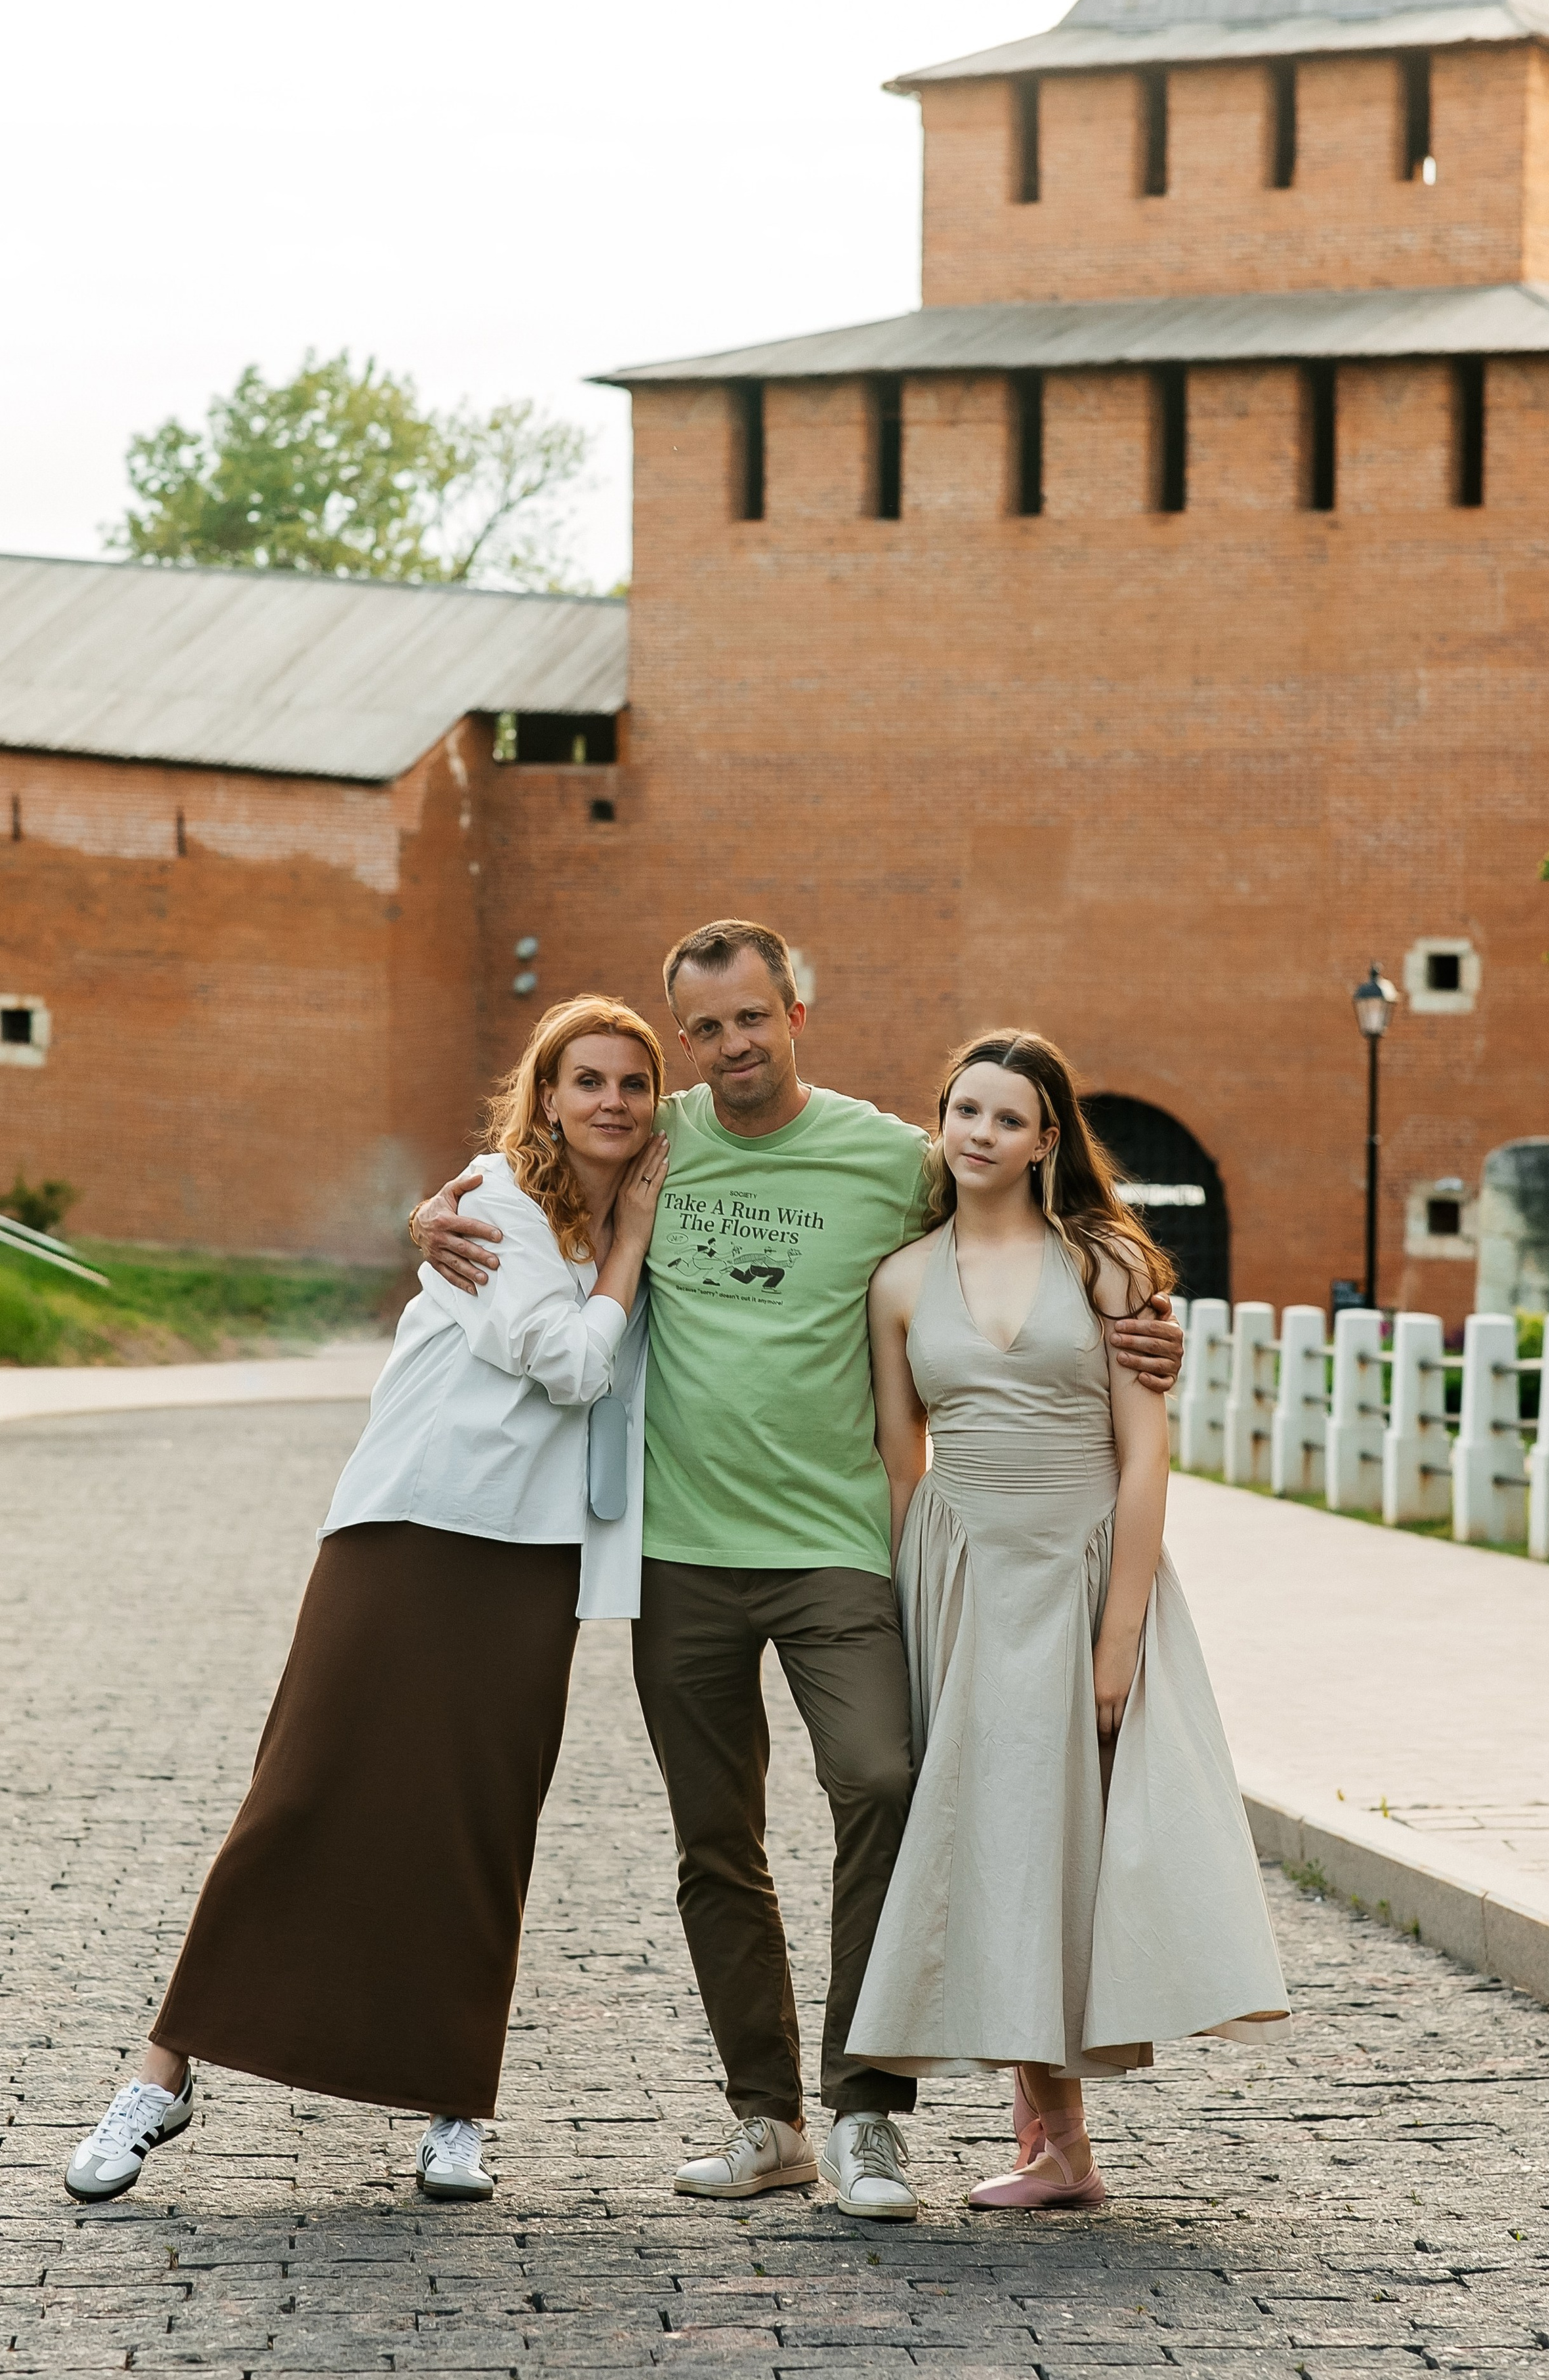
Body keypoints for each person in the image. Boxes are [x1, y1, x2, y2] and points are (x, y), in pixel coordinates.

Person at [412, 925, 1187, 2221]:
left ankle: (866, 2112)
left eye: (752, 1020)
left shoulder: (892, 1156)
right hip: (681, 1553)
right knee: (715, 1838)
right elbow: (523, 1189)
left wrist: (1140, 1312)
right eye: (703, 1030)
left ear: (797, 1014)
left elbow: (1025, 1207)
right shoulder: (650, 1145)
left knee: (882, 1782)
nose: (731, 1049)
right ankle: (766, 2118)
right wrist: (428, 1213)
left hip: (840, 1548)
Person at [64, 997, 669, 2207]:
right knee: (302, 1787)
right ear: (546, 1095)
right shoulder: (494, 1200)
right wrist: (631, 1238)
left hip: (534, 1556)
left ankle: (456, 2105)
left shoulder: (647, 1201)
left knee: (479, 1822)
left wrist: (639, 1225)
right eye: (586, 1080)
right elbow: (573, 1361)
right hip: (407, 1527)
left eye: (634, 1085)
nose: (611, 1102)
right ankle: (163, 2072)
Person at [846, 1029, 1290, 2211]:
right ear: (940, 1121)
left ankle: (1061, 2145)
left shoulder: (1104, 1264)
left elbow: (1145, 1462)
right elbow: (902, 1465)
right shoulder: (899, 1281)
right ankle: (1057, 2145)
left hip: (1086, 1569)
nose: (981, 1131)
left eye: (1008, 1116)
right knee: (1002, 1838)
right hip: (961, 1582)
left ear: (1049, 1139)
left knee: (1074, 1843)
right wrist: (902, 1621)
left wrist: (1119, 1636)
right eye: (964, 1110)